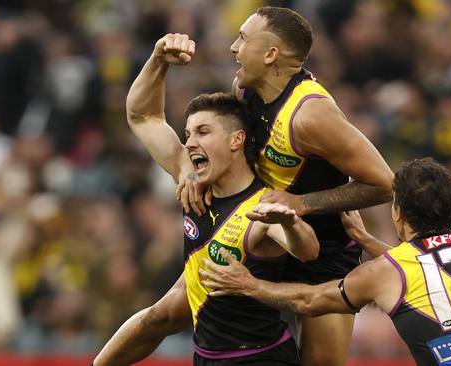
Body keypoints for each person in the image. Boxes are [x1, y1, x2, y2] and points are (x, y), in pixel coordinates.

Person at [161, 6, 395, 365]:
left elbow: (384, 185)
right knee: (164, 315)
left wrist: (303, 204)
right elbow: (221, 142)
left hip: (324, 255)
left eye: (243, 38)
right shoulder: (243, 90)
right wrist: (196, 174)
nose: (233, 48)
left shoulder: (311, 115)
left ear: (271, 54)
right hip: (259, 239)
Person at [93, 34, 320, 366]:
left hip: (260, 359)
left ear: (236, 140)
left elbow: (307, 249)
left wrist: (290, 220)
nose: (190, 143)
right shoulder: (193, 182)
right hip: (206, 356)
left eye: (202, 132)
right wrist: (158, 58)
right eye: (187, 135)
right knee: (159, 316)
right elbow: (143, 117)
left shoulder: (260, 207)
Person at [200, 158, 451, 366]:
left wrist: (249, 284)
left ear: (397, 213)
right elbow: (425, 271)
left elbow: (310, 300)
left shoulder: (384, 272)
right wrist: (366, 239)